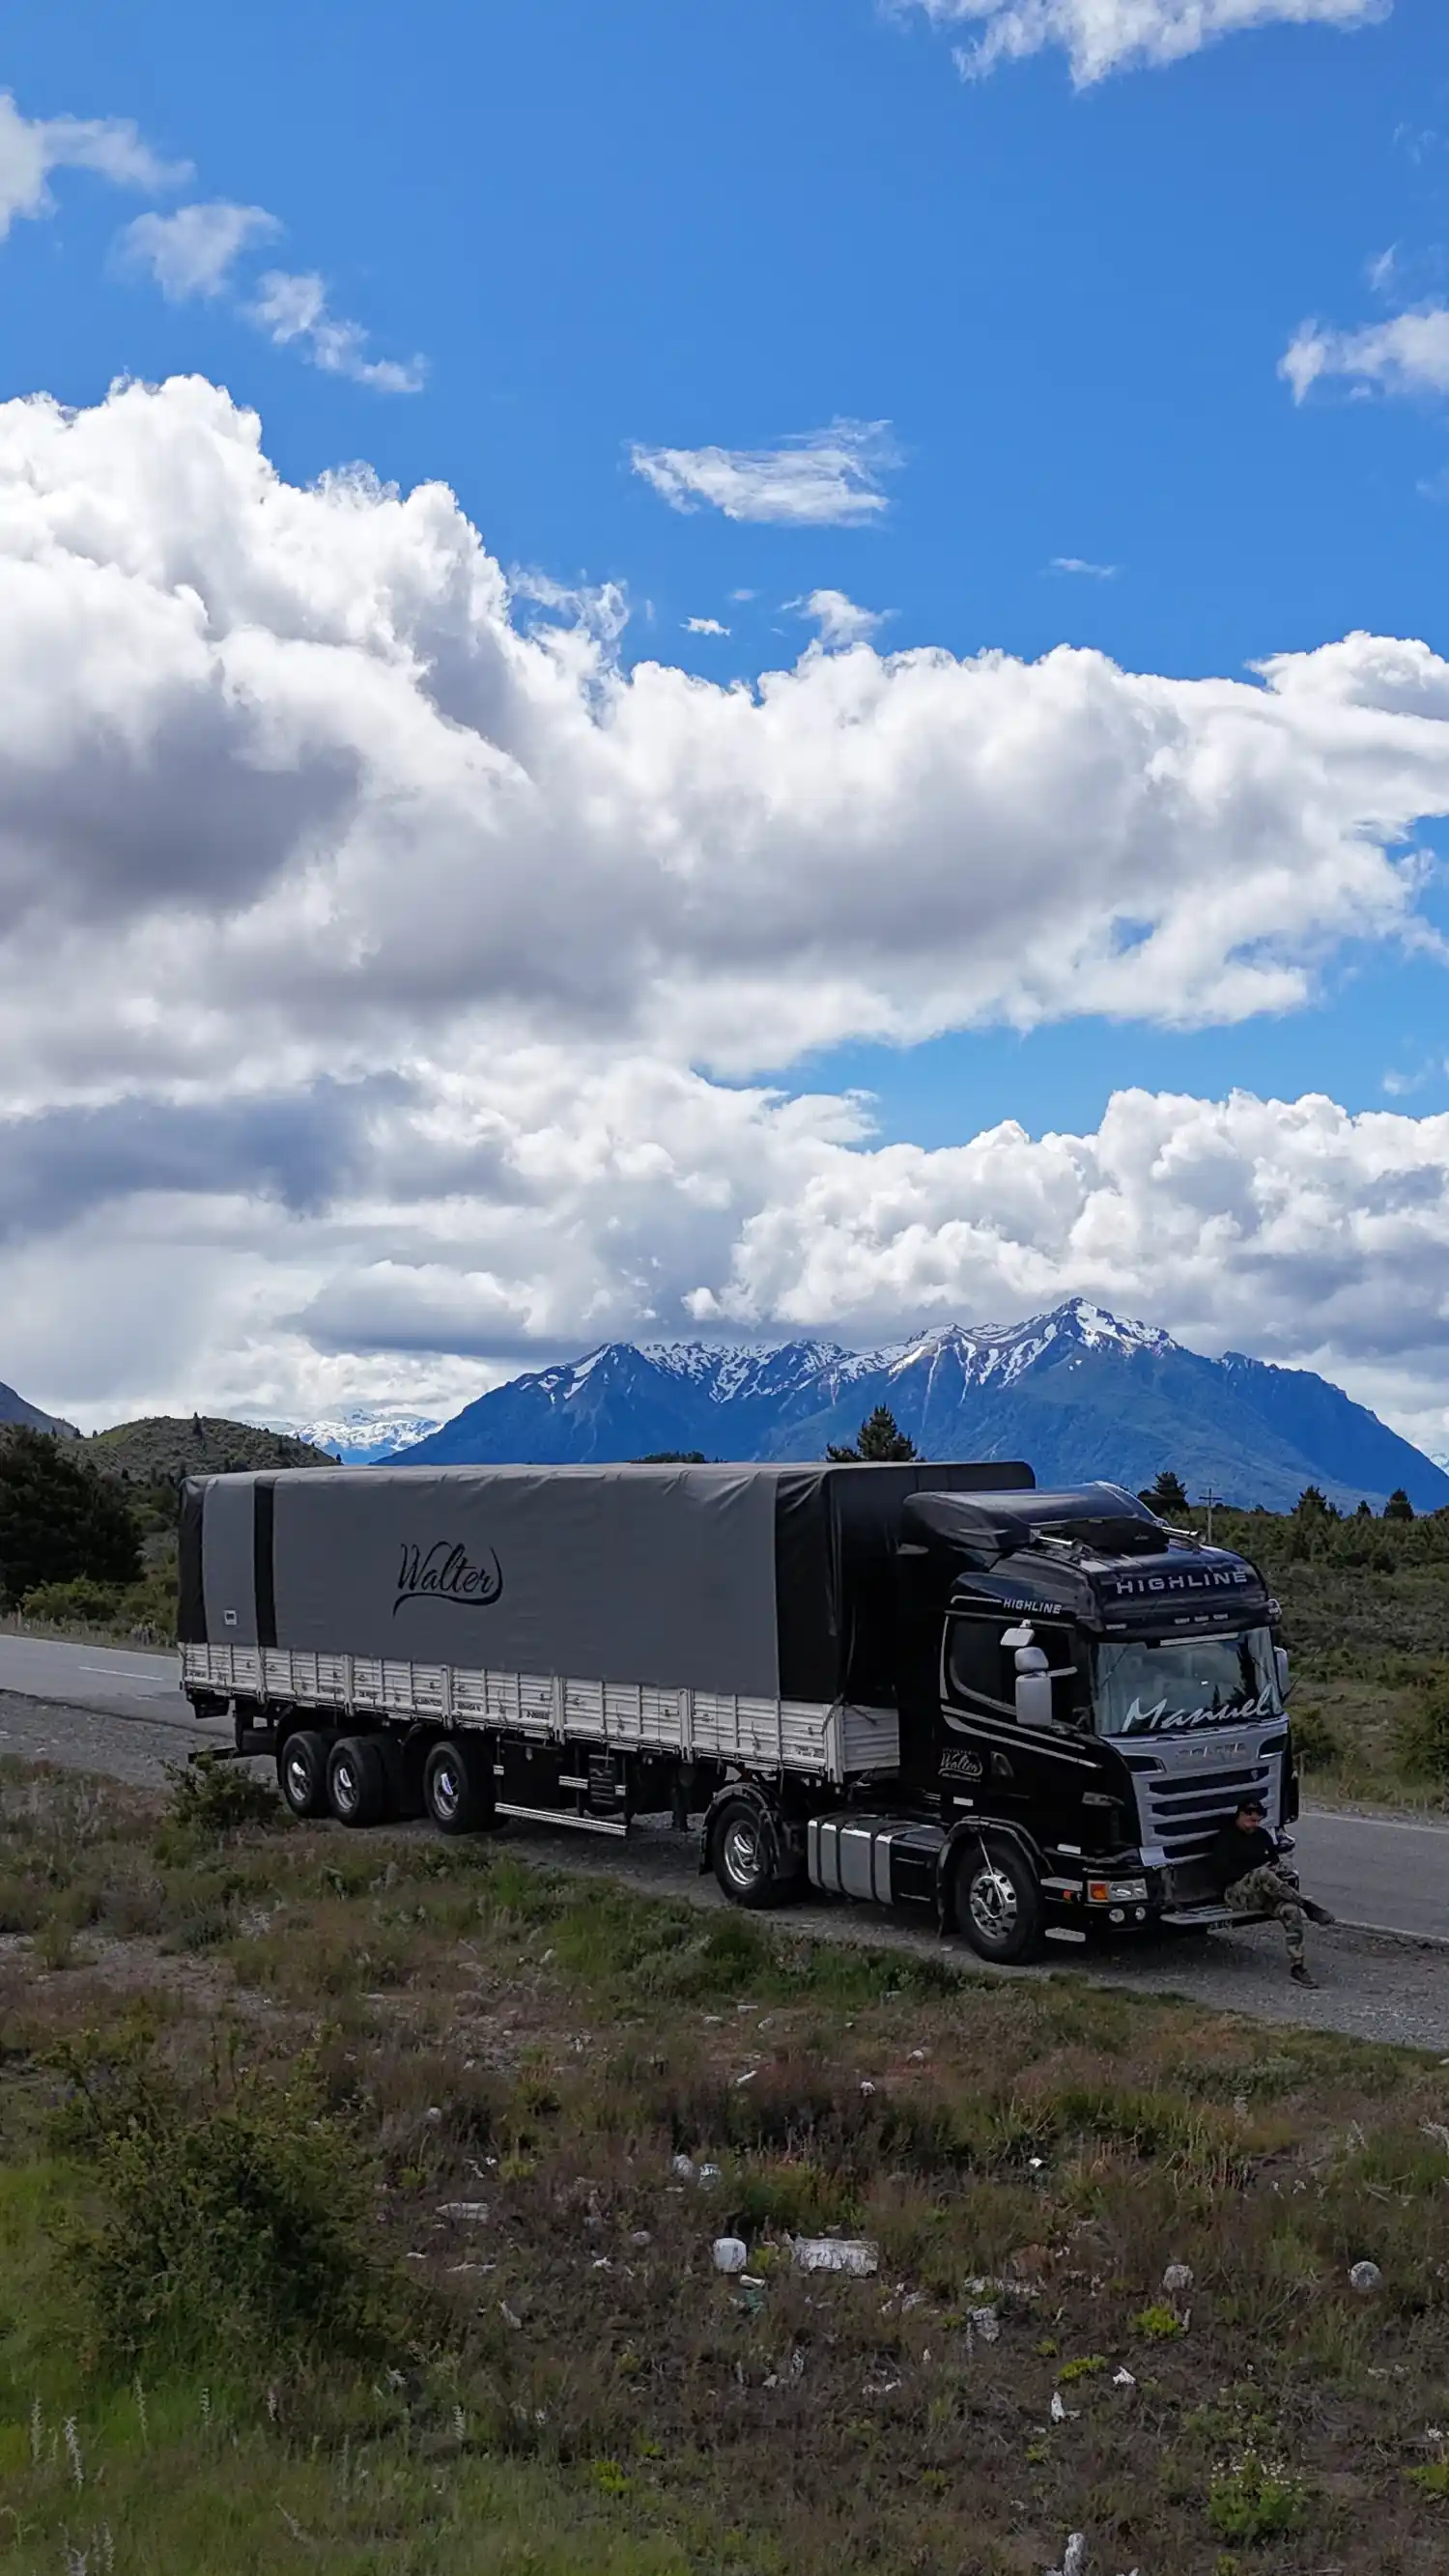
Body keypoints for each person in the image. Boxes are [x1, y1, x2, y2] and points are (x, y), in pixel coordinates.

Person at [1207, 1797, 1334, 1988]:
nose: (1254, 1825)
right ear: (1240, 1816)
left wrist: (1276, 1870)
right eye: (1250, 1821)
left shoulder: (1261, 1836)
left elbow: (1274, 1860)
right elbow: (1221, 1872)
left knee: (1291, 1911)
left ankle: (1297, 1966)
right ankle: (1308, 1906)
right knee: (1262, 1874)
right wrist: (1253, 1871)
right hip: (1236, 1893)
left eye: (1257, 1821)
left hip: (1263, 1891)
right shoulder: (1226, 1838)